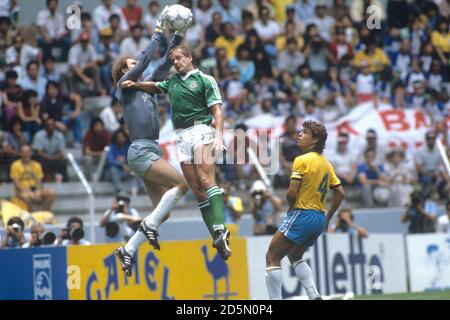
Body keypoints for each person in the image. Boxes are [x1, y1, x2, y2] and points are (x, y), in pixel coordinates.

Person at [120, 45, 232, 260]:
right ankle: (217, 239)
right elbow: (155, 86)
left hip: (202, 130)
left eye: (179, 58)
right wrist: (136, 84)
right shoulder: (172, 82)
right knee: (197, 191)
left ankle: (221, 230)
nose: (176, 62)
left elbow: (217, 110)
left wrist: (219, 135)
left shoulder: (204, 79)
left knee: (206, 180)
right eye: (173, 61)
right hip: (182, 138)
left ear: (189, 57)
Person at [112, 8, 193, 277]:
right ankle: (142, 232)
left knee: (163, 213)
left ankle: (128, 249)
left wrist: (178, 35)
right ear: (124, 72)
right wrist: (159, 29)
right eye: (131, 65)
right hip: (140, 150)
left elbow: (164, 63)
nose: (137, 67)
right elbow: (146, 60)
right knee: (181, 184)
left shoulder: (143, 86)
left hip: (149, 150)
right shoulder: (124, 86)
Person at [264, 120, 345, 300]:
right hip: (318, 218)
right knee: (294, 254)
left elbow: (292, 192)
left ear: (314, 140)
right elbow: (340, 192)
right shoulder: (326, 163)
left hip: (302, 213)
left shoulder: (301, 160)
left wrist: (291, 207)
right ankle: (314, 295)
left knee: (272, 255)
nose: (299, 135)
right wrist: (329, 217)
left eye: (305, 132)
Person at [10, 144, 55, 211]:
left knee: (51, 192)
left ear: (31, 153)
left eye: (28, 152)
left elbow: (39, 182)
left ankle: (45, 212)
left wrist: (38, 191)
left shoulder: (37, 165)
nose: (26, 154)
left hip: (35, 190)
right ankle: (32, 213)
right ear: (20, 153)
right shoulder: (15, 165)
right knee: (25, 196)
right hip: (22, 192)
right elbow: (17, 184)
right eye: (23, 152)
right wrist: (29, 192)